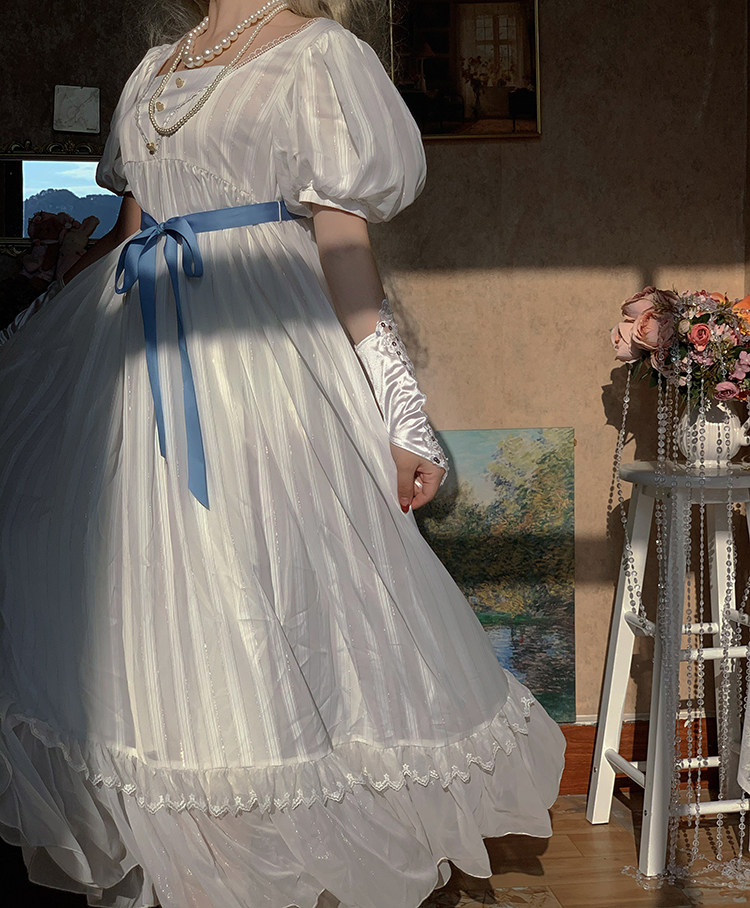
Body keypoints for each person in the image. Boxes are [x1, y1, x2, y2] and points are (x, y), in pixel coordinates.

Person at [0, 1, 565, 906]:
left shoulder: (321, 54)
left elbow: (343, 244)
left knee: (272, 582)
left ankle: (278, 834)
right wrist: (50, 301)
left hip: (261, 354)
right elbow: (132, 226)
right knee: (146, 587)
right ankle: (183, 832)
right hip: (133, 353)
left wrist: (402, 409)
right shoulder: (154, 68)